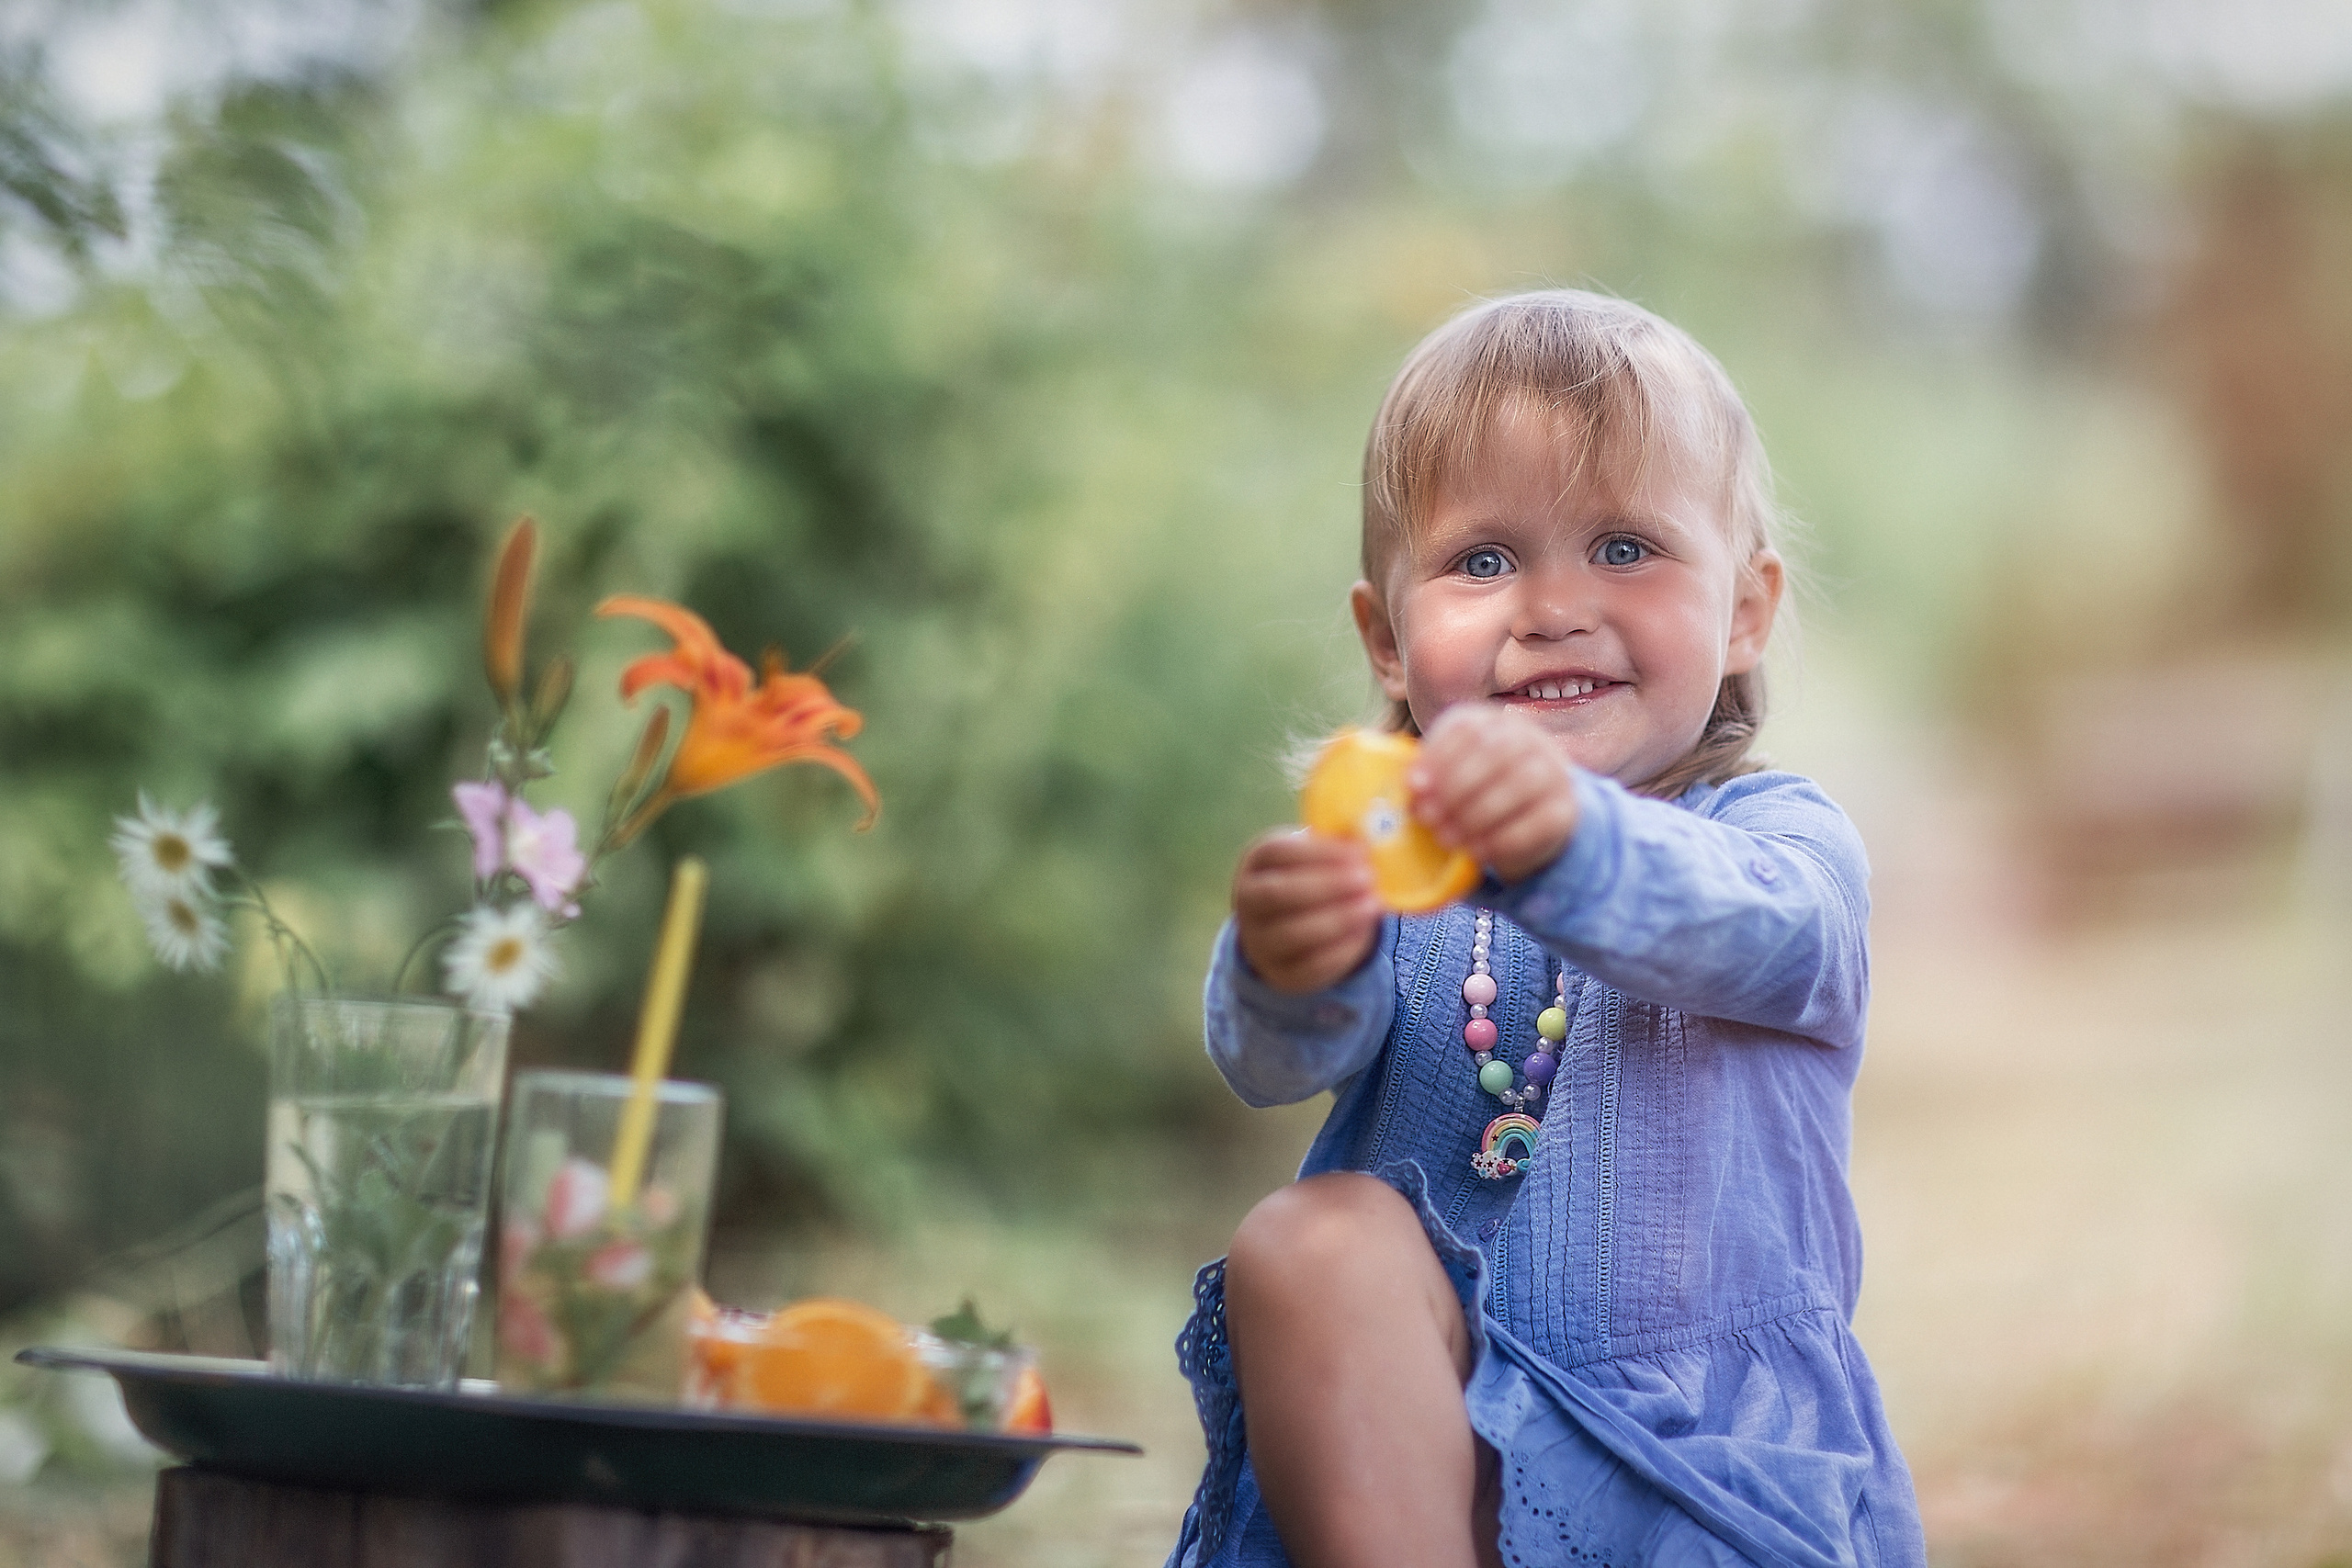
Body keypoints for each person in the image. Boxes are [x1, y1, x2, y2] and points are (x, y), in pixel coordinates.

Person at [1167, 289, 1926, 1568]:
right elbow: (1270, 1062)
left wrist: (1568, 838)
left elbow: (1754, 928)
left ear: (1744, 609)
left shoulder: (1784, 842)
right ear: (1389, 642)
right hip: (1417, 1466)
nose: (1550, 607)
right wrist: (1295, 959)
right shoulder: (1399, 867)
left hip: (1685, 1481)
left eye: (1625, 547)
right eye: (1481, 561)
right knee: (1306, 1240)